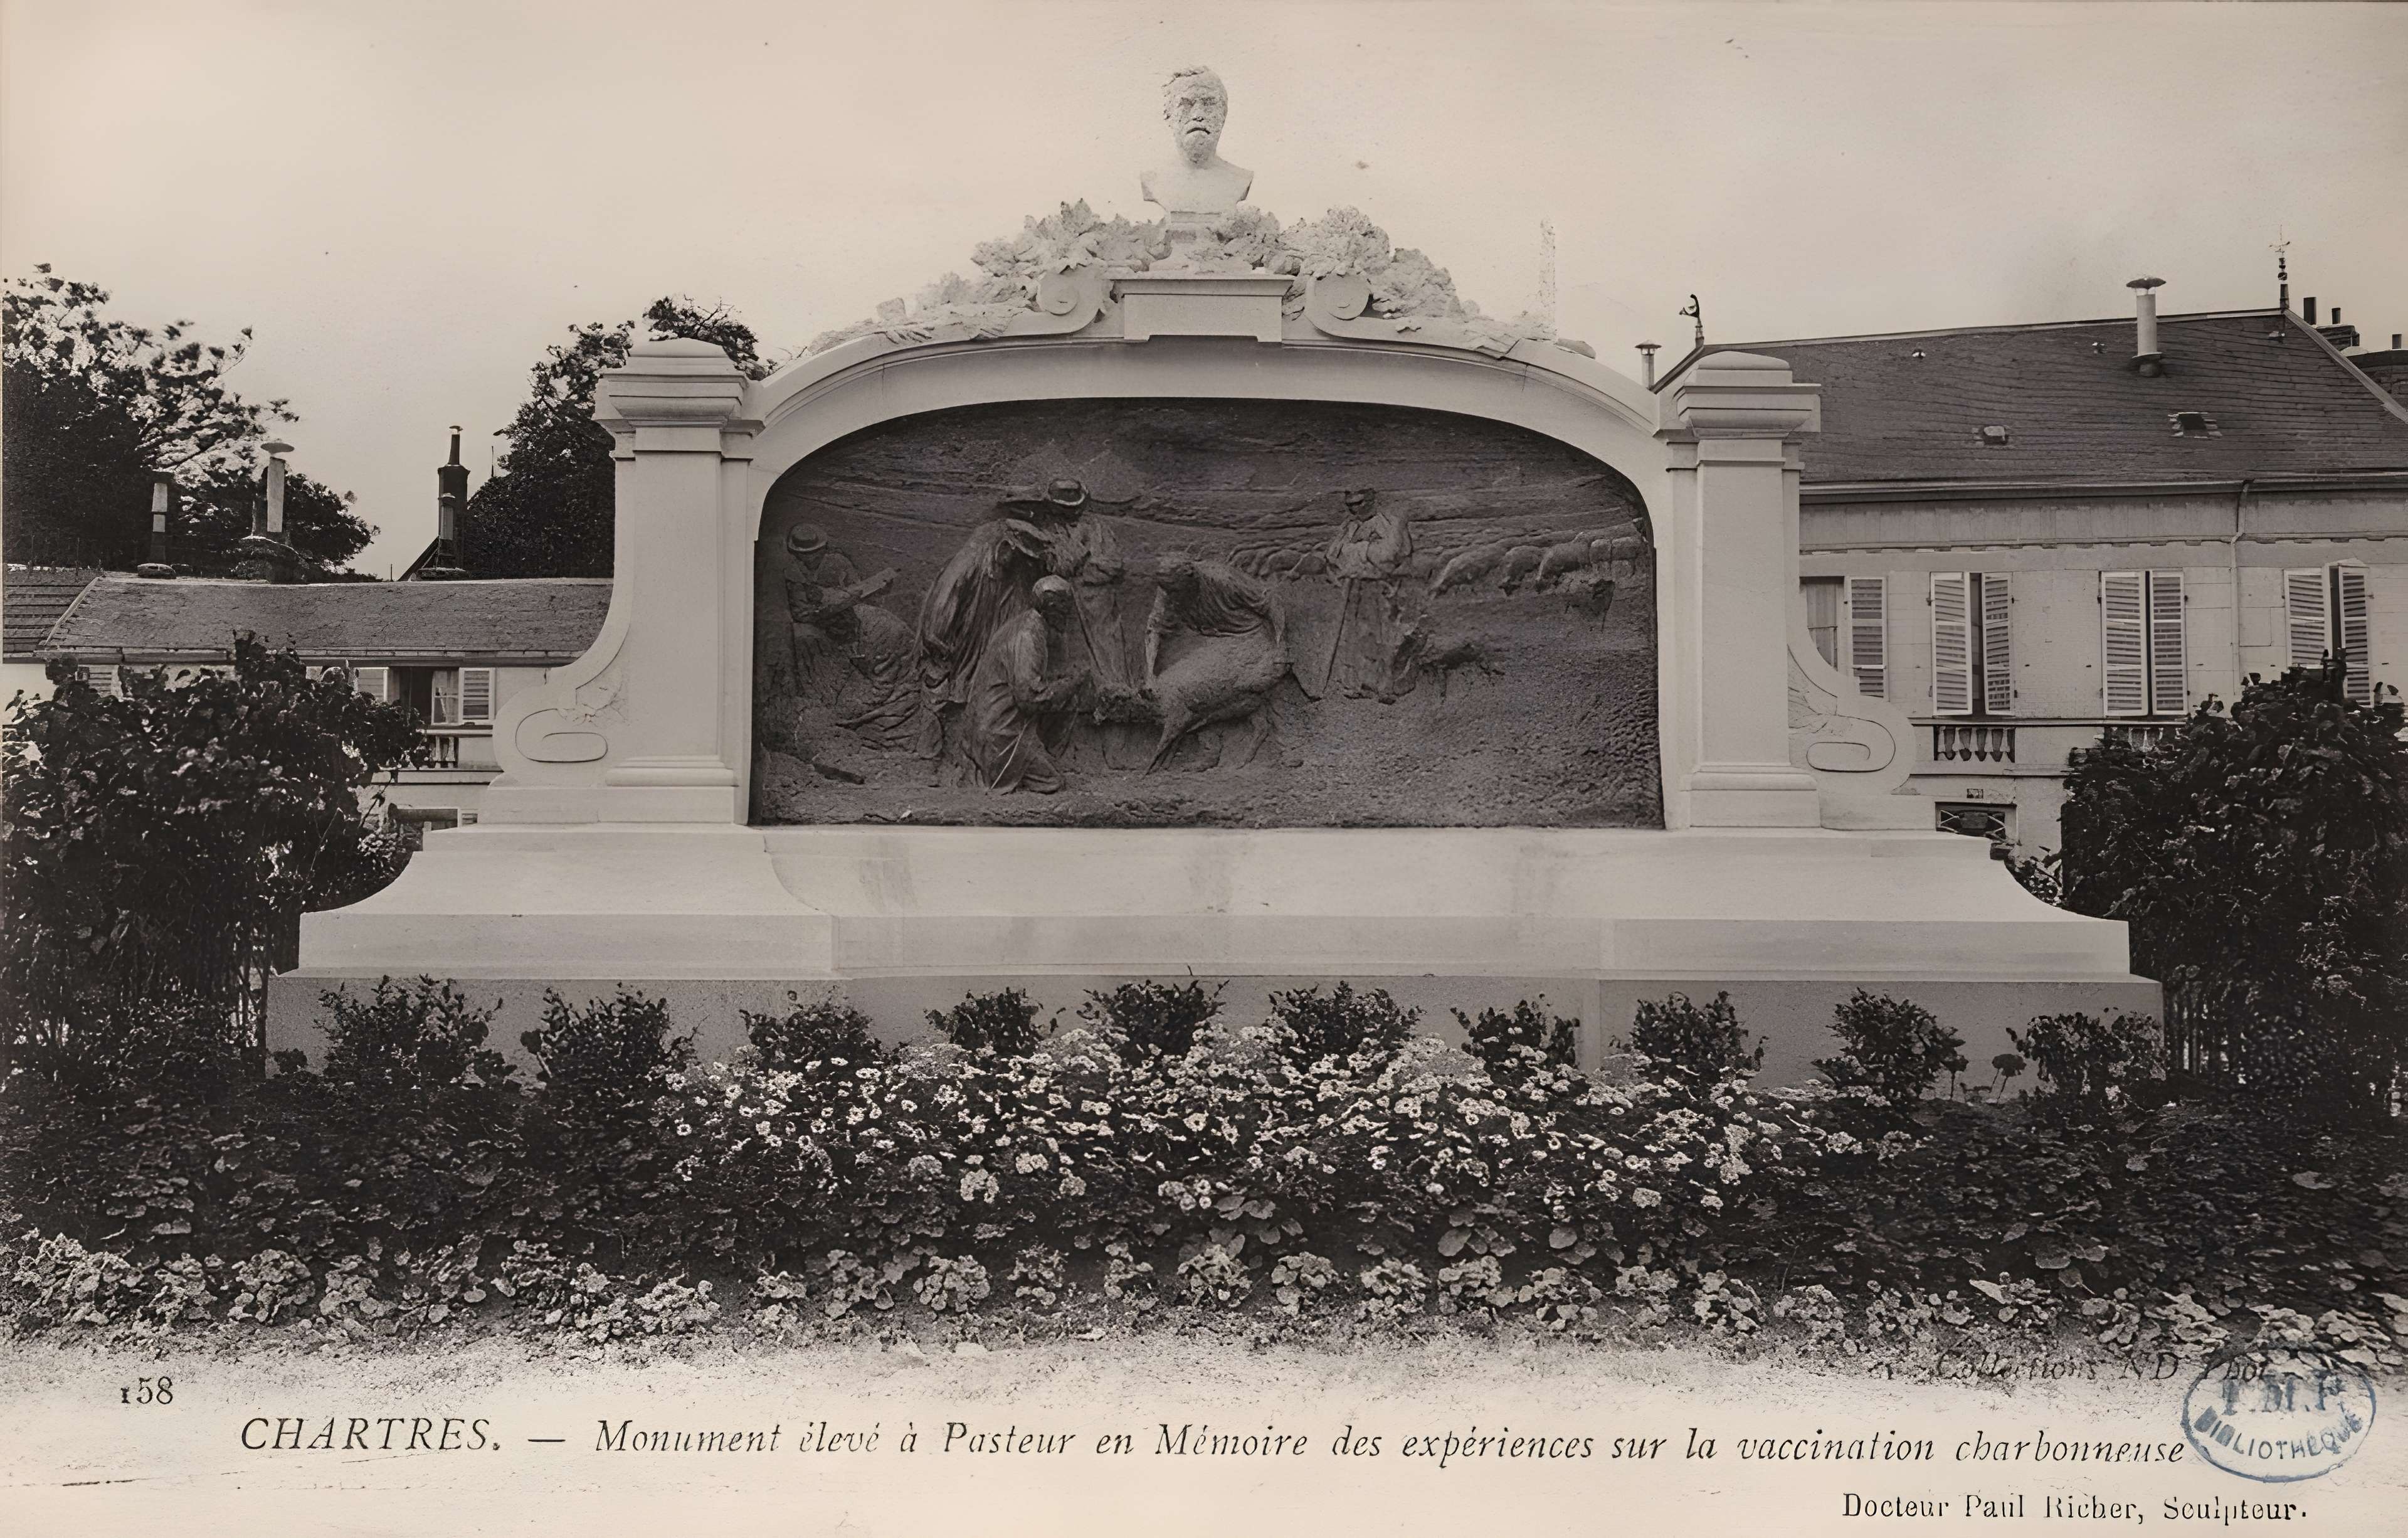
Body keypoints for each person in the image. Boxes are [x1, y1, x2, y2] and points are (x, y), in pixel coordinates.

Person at [958, 577, 1091, 794]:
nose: (1070, 615)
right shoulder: (1028, 636)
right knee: (1052, 782)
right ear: (1051, 608)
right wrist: (1073, 683)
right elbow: (1029, 699)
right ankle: (1005, 767)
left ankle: (1037, 753)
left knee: (1068, 702)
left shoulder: (1028, 624)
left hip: (996, 724)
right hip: (999, 734)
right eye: (1066, 609)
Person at [1319, 488, 1417, 699]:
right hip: (1355, 587)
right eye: (1349, 505)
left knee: (1384, 636)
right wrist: (1360, 552)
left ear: (1371, 501)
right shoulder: (1349, 526)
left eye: (1358, 503)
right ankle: (1357, 684)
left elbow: (1391, 555)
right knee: (1355, 636)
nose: (1353, 509)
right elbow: (1333, 554)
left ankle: (1386, 687)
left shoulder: (1388, 523)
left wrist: (1359, 550)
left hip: (1382, 588)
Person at [1142, 65, 1253, 222]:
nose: (1198, 115)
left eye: (1209, 104)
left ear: (1223, 114)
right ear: (1169, 115)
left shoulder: (1241, 179)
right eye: (1186, 104)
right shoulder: (1153, 180)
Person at [781, 523, 862, 700]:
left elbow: (857, 588)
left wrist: (834, 596)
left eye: (815, 552)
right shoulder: (793, 572)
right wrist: (820, 611)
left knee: (850, 628)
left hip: (842, 613)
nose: (810, 558)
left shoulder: (839, 562)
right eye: (805, 554)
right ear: (797, 554)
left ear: (823, 549)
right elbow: (800, 610)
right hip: (816, 621)